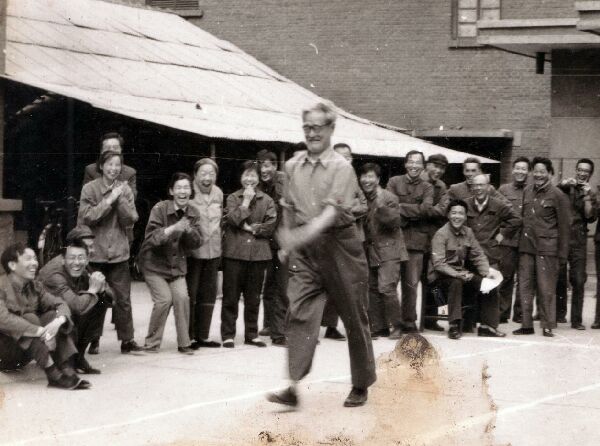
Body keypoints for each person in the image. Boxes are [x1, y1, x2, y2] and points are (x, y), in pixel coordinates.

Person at [266, 102, 376, 408]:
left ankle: (361, 384)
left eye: (317, 127)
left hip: (341, 246)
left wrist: (296, 236)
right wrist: (288, 242)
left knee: (354, 317)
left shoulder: (342, 168)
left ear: (331, 129)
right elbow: (288, 208)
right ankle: (292, 385)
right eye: (307, 127)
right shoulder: (292, 166)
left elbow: (329, 215)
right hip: (307, 251)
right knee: (299, 312)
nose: (312, 133)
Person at [0, 243, 89, 390]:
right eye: (28, 259)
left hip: (25, 352)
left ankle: (66, 368)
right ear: (12, 265)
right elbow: (3, 319)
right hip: (4, 354)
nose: (35, 263)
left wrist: (58, 322)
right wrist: (40, 331)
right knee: (30, 318)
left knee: (53, 315)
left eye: (35, 258)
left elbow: (60, 303)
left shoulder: (35, 286)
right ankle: (53, 374)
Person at [78, 150, 142, 353]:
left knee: (123, 299)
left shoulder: (125, 189)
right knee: (96, 298)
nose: (113, 169)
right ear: (101, 166)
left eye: (117, 165)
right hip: (95, 252)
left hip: (119, 252)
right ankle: (93, 339)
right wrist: (109, 199)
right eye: (109, 164)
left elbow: (130, 219)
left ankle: (127, 340)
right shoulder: (89, 188)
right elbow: (87, 217)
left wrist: (120, 198)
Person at [139, 173, 203, 354]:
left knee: (182, 298)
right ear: (171, 191)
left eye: (186, 187)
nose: (183, 191)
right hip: (154, 266)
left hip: (176, 267)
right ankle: (151, 343)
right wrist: (174, 228)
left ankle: (184, 343)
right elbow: (151, 239)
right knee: (164, 300)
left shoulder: (194, 212)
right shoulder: (159, 209)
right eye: (179, 188)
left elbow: (197, 243)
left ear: (191, 191)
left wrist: (189, 230)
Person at [38, 231, 112, 374]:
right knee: (74, 308)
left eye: (82, 257)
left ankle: (78, 357)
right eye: (72, 257)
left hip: (63, 311)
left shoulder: (81, 264)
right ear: (63, 259)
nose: (77, 262)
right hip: (43, 319)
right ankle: (65, 360)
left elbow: (113, 299)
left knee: (100, 302)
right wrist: (92, 289)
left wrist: (102, 288)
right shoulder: (54, 274)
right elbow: (76, 307)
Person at [221, 161, 277, 348]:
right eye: (246, 175)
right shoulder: (233, 198)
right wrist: (245, 202)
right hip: (234, 253)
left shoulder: (267, 200)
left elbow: (270, 226)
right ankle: (228, 335)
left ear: (259, 178)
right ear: (241, 178)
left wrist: (249, 228)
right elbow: (232, 219)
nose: (249, 179)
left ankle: (252, 334)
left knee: (253, 298)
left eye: (253, 175)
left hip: (258, 255)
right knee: (230, 296)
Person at [514, 157, 570, 337]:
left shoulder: (558, 195)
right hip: (526, 247)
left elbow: (564, 227)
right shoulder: (527, 191)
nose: (538, 175)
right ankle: (526, 325)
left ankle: (547, 325)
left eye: (542, 172)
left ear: (550, 173)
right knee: (525, 287)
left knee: (546, 288)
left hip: (547, 249)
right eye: (536, 171)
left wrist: (563, 255)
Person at [320, 143, 368, 341]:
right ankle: (315, 326)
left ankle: (336, 326)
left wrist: (345, 208)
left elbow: (364, 206)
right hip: (328, 238)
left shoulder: (353, 181)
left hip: (350, 240)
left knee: (348, 284)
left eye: (347, 157)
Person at [464, 174, 521, 337]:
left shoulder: (498, 204)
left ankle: (488, 326)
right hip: (469, 253)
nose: (478, 188)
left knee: (490, 288)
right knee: (468, 287)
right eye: (475, 185)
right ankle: (467, 323)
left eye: (482, 185)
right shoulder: (466, 204)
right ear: (471, 187)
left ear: (489, 187)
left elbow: (516, 219)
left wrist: (503, 234)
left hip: (490, 253)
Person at [428, 200, 492, 340]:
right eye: (454, 213)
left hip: (459, 274)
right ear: (448, 215)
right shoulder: (441, 234)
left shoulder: (468, 232)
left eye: (461, 213)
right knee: (456, 283)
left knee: (487, 284)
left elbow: (478, 255)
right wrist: (458, 274)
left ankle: (488, 326)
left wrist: (486, 272)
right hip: (439, 277)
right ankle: (454, 326)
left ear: (465, 216)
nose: (457, 216)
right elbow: (439, 264)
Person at [359, 163, 408, 340]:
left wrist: (380, 206)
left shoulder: (389, 197)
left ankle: (396, 326)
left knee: (387, 287)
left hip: (390, 249)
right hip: (371, 249)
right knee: (372, 288)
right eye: (364, 176)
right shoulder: (362, 197)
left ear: (378, 179)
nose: (367, 180)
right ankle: (378, 327)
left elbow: (394, 222)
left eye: (370, 176)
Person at [386, 150, 433, 333]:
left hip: (416, 242)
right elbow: (389, 207)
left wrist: (401, 208)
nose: (414, 166)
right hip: (394, 239)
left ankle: (409, 321)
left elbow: (426, 209)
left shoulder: (427, 187)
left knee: (411, 285)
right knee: (390, 284)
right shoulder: (393, 182)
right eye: (411, 162)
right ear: (405, 164)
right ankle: (394, 322)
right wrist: (414, 211)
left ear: (423, 166)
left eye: (418, 163)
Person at [186, 158, 223, 349]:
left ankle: (203, 336)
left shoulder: (218, 193)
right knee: (191, 294)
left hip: (214, 251)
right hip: (194, 252)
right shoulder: (188, 192)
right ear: (195, 175)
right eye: (203, 173)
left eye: (211, 174)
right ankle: (189, 336)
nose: (207, 178)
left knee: (209, 294)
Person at [556, 159, 597, 330]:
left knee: (579, 279)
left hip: (579, 239)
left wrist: (587, 196)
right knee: (559, 276)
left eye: (586, 171)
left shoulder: (591, 193)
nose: (582, 173)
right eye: (579, 170)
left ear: (590, 174)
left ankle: (576, 320)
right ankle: (559, 315)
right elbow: (554, 194)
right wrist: (563, 183)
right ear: (576, 170)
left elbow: (590, 217)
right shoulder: (567, 186)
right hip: (562, 237)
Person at [256, 150, 289, 346]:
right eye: (261, 165)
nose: (264, 169)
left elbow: (283, 214)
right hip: (265, 242)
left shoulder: (283, 182)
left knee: (282, 287)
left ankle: (279, 332)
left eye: (268, 165)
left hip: (281, 241)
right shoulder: (257, 184)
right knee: (269, 286)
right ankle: (269, 325)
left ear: (275, 166)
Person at [498, 157, 530, 323]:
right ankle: (502, 313)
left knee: (524, 278)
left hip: (526, 241)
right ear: (512, 170)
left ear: (528, 172)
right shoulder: (503, 190)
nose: (520, 171)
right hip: (508, 240)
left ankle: (520, 314)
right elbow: (498, 213)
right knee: (506, 276)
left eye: (524, 169)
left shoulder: (532, 190)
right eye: (517, 168)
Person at [421, 153, 449, 332]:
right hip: (414, 239)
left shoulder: (441, 186)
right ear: (427, 165)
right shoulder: (418, 182)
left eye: (442, 168)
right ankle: (413, 319)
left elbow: (442, 211)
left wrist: (421, 210)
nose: (438, 170)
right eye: (435, 166)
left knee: (434, 281)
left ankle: (433, 318)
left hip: (433, 240)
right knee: (412, 281)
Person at [83, 132, 137, 197]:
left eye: (115, 148)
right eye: (107, 148)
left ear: (121, 150)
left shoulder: (130, 172)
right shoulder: (90, 170)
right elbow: (87, 196)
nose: (111, 151)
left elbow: (131, 198)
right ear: (101, 151)